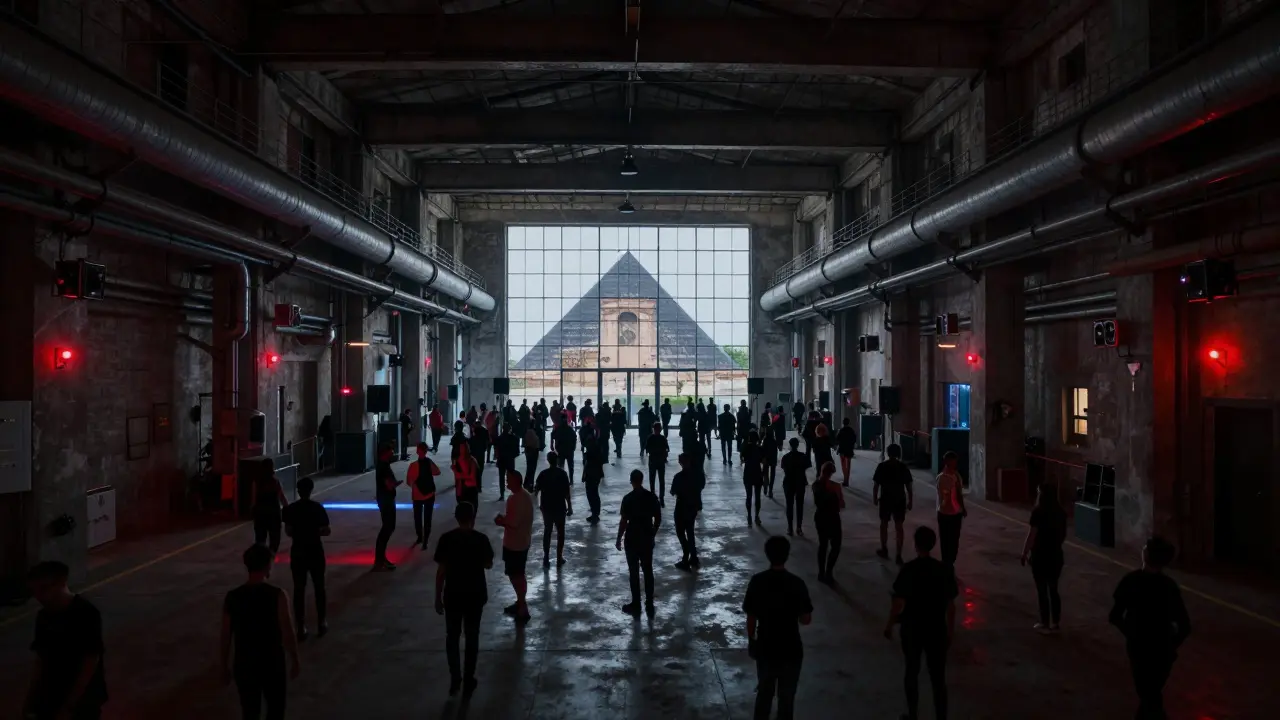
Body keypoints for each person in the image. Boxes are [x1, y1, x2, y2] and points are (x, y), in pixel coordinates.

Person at [1109, 536, 1191, 720]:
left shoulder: (1130, 581)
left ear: (1146, 554)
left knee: (1148, 695)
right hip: (1163, 652)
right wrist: (1171, 645)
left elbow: (1114, 616)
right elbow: (1185, 626)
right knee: (1151, 694)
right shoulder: (1169, 587)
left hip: (1139, 650)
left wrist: (1131, 634)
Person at [884, 526, 957, 720]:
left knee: (911, 672)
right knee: (938, 678)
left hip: (912, 629)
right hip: (936, 629)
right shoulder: (943, 571)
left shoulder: (908, 570)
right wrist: (950, 632)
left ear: (915, 544)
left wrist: (889, 625)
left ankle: (913, 714)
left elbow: (898, 604)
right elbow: (951, 607)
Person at [221, 544, 300, 720]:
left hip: (244, 662)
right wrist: (295, 658)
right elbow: (287, 631)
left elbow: (226, 635)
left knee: (249, 711)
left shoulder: (232, 597)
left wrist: (223, 664)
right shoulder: (277, 595)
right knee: (276, 709)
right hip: (272, 662)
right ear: (267, 566)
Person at [23, 561, 107, 720]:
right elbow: (41, 659)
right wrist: (31, 699)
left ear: (62, 582)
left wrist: (69, 706)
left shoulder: (85, 614)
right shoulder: (43, 615)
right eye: (35, 591)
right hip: (51, 694)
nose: (39, 596)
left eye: (44, 589)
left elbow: (90, 661)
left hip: (83, 698)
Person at [743, 536, 813, 720]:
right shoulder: (797, 583)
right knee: (787, 699)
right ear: (787, 555)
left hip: (766, 648)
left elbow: (751, 617)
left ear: (767, 555)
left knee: (764, 695)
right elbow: (806, 619)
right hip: (791, 648)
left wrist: (752, 641)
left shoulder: (758, 582)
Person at [434, 502, 495, 697]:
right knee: (472, 636)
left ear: (456, 517)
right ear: (473, 518)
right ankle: (469, 678)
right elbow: (488, 564)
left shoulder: (446, 539)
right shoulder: (481, 539)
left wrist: (437, 596)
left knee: (452, 637)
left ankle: (455, 679)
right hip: (475, 595)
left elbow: (441, 572)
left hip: (453, 595)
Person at [282, 477, 331, 640]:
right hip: (315, 550)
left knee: (299, 589)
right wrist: (314, 532)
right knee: (319, 587)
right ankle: (322, 622)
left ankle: (301, 627)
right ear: (311, 490)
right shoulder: (317, 508)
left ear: (298, 490)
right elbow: (326, 530)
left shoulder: (291, 510)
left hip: (298, 551)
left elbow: (288, 531)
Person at [1021, 483, 1067, 634]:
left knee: (1042, 590)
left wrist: (1024, 553)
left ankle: (1044, 622)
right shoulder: (1061, 512)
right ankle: (1055, 623)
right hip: (1056, 555)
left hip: (1040, 556)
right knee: (1054, 589)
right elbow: (1063, 535)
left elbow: (1032, 536)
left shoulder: (1038, 512)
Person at [617, 469, 662, 617]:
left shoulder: (628, 499)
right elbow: (658, 518)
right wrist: (653, 533)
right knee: (648, 570)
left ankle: (636, 602)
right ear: (642, 480)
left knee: (634, 572)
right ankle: (649, 602)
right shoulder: (651, 497)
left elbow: (624, 522)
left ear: (631, 481)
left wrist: (618, 539)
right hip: (646, 538)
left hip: (632, 539)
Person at [495, 470, 534, 622]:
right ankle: (519, 602)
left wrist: (501, 521)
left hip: (515, 544)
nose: (506, 482)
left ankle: (522, 607)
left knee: (516, 575)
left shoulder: (515, 500)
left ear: (517, 481)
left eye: (508, 479)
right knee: (518, 574)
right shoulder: (525, 496)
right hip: (522, 542)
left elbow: (514, 523)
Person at [873, 444, 915, 565]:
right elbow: (909, 486)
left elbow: (876, 485)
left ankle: (884, 548)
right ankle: (898, 555)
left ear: (888, 452)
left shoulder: (882, 466)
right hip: (899, 500)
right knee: (899, 527)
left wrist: (875, 498)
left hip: (886, 499)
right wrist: (910, 500)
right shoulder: (903, 467)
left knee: (884, 525)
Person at [534, 452, 573, 568]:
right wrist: (569, 506)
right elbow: (567, 493)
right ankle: (559, 557)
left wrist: (538, 505)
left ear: (548, 460)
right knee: (561, 533)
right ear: (557, 460)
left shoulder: (543, 474)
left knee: (547, 531)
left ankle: (546, 557)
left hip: (547, 507)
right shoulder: (563, 474)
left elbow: (536, 491)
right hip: (559, 506)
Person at [670, 453, 705, 571]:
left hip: (681, 506)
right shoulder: (698, 475)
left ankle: (686, 556)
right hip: (693, 505)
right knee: (690, 531)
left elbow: (673, 491)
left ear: (681, 463)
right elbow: (701, 486)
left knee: (680, 532)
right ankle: (693, 557)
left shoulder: (678, 477)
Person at [812, 462, 845, 584]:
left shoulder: (816, 485)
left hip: (821, 517)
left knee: (823, 545)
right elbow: (842, 504)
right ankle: (828, 572)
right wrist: (836, 493)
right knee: (834, 546)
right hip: (832, 518)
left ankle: (822, 572)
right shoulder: (834, 486)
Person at [406, 442, 441, 550]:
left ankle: (419, 537)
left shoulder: (413, 466)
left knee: (418, 517)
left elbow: (408, 482)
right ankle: (425, 540)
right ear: (426, 451)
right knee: (427, 518)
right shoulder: (429, 463)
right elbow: (437, 472)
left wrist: (415, 486)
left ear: (417, 451)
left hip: (417, 495)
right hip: (429, 493)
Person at [935, 451, 967, 567]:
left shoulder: (954, 475)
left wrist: (962, 508)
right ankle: (948, 561)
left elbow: (958, 494)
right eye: (952, 461)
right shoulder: (946, 477)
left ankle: (948, 560)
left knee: (950, 538)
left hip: (949, 512)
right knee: (949, 539)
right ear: (946, 462)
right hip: (948, 513)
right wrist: (962, 508)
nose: (954, 464)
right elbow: (953, 495)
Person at [373, 444, 401, 571]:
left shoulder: (383, 465)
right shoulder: (383, 467)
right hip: (386, 500)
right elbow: (388, 484)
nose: (393, 453)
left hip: (384, 498)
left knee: (388, 527)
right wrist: (394, 484)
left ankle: (380, 558)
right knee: (388, 527)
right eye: (391, 451)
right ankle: (380, 559)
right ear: (385, 453)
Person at [253, 458, 289, 555]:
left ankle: (261, 557)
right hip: (273, 513)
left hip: (260, 513)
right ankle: (271, 555)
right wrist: (287, 507)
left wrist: (253, 510)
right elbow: (281, 496)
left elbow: (253, 498)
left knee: (260, 538)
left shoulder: (257, 482)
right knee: (275, 538)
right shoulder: (275, 482)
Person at [780, 438, 811, 537]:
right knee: (799, 505)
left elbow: (784, 469)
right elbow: (807, 466)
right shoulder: (803, 456)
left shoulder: (785, 457)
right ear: (797, 445)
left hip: (788, 482)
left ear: (790, 445)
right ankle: (799, 527)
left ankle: (790, 528)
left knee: (789, 506)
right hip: (800, 482)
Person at [741, 430, 766, 526]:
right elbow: (764, 462)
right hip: (757, 473)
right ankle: (756, 516)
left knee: (749, 496)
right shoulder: (760, 449)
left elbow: (742, 460)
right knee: (757, 496)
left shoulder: (745, 448)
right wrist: (764, 475)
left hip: (747, 473)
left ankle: (749, 516)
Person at [582, 427, 606, 523]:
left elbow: (587, 464)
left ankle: (595, 513)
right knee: (594, 494)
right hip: (596, 474)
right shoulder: (597, 447)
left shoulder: (591, 450)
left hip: (591, 474)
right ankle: (595, 513)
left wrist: (584, 475)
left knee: (591, 494)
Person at [453, 442, 481, 510]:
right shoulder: (457, 461)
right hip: (461, 490)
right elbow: (457, 477)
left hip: (471, 490)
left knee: (471, 511)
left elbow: (472, 477)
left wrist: (458, 474)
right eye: (461, 448)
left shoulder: (472, 461)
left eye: (463, 448)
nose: (462, 450)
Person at [495, 424, 519, 500]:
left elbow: (497, 451)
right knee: (511, 477)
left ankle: (502, 494)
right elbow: (517, 452)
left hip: (501, 460)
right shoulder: (514, 438)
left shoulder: (499, 439)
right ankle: (513, 492)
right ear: (510, 429)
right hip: (510, 460)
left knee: (501, 478)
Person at [552, 417, 578, 483]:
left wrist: (552, 445)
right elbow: (575, 438)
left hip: (561, 450)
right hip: (569, 450)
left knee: (561, 466)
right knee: (570, 466)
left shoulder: (558, 429)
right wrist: (574, 447)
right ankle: (571, 479)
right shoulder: (570, 429)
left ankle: (561, 479)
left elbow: (552, 436)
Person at [835, 417, 857, 486]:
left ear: (843, 423)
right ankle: (847, 479)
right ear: (849, 423)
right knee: (848, 465)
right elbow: (854, 439)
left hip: (842, 449)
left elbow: (837, 439)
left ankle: (845, 479)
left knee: (843, 465)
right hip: (849, 449)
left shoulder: (841, 430)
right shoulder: (851, 430)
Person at [761, 427, 780, 498]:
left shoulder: (765, 440)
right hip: (773, 459)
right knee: (772, 475)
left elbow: (762, 451)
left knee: (765, 473)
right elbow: (775, 452)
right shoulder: (774, 441)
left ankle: (765, 486)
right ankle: (770, 490)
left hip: (766, 459)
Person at [522, 425, 541, 490]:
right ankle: (530, 485)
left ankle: (526, 483)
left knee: (529, 468)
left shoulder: (526, 433)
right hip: (534, 452)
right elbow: (537, 444)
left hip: (528, 451)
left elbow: (524, 443)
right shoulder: (534, 434)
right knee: (532, 469)